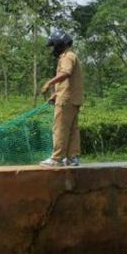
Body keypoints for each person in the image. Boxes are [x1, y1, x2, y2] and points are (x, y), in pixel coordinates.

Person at [40, 29, 84, 167]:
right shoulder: (72, 56)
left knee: (60, 128)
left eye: (54, 45)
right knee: (72, 129)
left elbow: (66, 73)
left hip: (66, 100)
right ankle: (72, 157)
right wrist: (55, 94)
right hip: (73, 98)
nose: (53, 48)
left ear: (59, 44)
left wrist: (49, 82)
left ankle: (56, 158)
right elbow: (68, 82)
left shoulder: (66, 57)